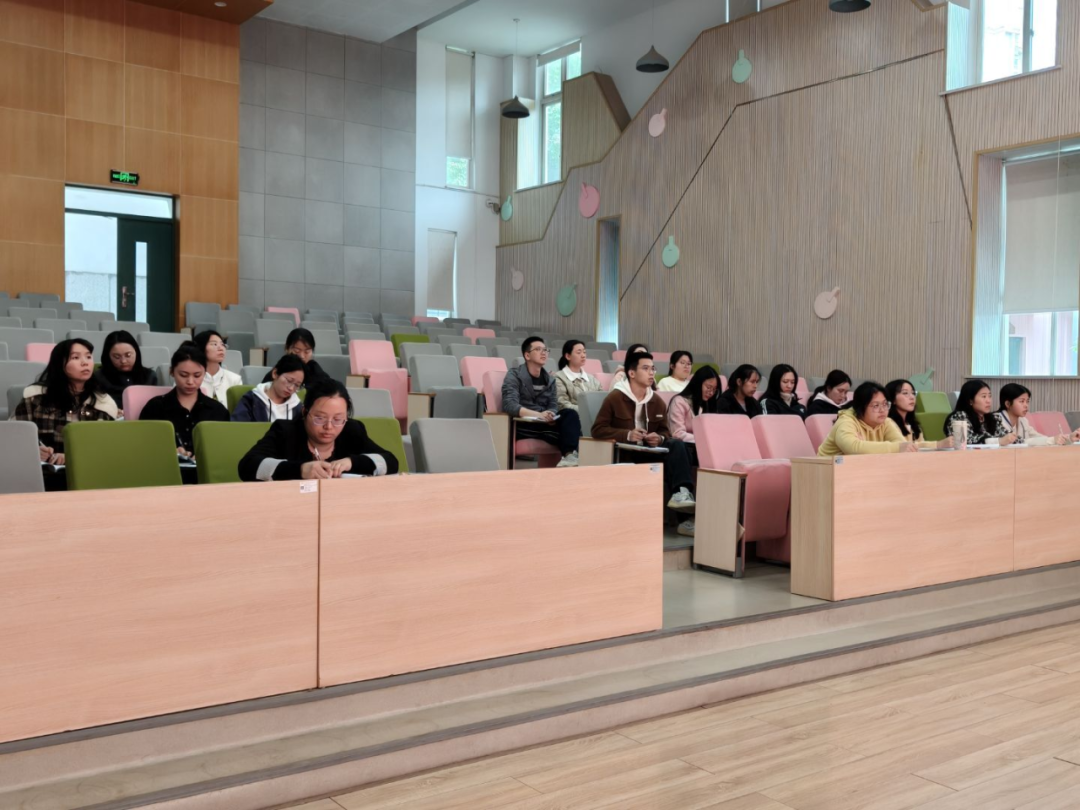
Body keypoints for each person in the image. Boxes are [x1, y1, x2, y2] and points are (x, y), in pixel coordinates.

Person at [592, 352, 697, 535]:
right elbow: (598, 429)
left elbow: (666, 431)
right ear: (632, 373)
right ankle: (684, 519)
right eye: (646, 368)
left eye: (653, 368)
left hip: (650, 452)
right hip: (626, 453)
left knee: (678, 446)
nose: (651, 373)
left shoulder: (656, 400)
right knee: (675, 455)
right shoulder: (615, 398)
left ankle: (682, 496)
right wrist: (627, 434)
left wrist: (660, 438)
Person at [238, 379, 398, 480]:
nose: (329, 427)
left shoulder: (352, 430)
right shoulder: (285, 431)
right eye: (320, 418)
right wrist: (300, 470)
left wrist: (352, 462)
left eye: (338, 419)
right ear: (304, 412)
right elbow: (247, 466)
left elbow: (391, 461)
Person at [14, 338, 118, 466]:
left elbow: (105, 448)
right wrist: (33, 449)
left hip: (87, 471)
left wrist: (71, 457)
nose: (85, 363)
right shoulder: (35, 396)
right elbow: (14, 435)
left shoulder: (103, 403)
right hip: (39, 470)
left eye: (88, 357)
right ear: (59, 363)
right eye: (75, 357)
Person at [140, 343, 230, 461]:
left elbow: (225, 448)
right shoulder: (155, 407)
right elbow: (143, 445)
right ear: (172, 372)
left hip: (206, 470)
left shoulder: (217, 410)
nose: (190, 382)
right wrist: (168, 451)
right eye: (183, 375)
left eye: (197, 375)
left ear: (205, 373)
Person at [501, 336, 582, 467]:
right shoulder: (514, 375)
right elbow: (510, 405)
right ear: (527, 355)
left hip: (544, 423)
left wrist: (551, 414)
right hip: (523, 423)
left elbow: (553, 405)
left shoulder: (550, 379)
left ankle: (570, 457)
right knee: (571, 432)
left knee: (570, 414)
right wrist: (539, 415)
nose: (543, 353)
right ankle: (571, 455)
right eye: (538, 349)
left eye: (545, 350)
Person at [817, 382, 920, 456]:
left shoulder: (886, 422)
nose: (882, 410)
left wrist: (866, 446)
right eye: (876, 405)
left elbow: (903, 444)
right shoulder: (846, 421)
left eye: (885, 404)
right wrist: (896, 447)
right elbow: (853, 448)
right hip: (826, 471)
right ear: (861, 407)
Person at [997, 383, 1080, 445]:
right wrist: (1052, 440)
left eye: (1027, 401)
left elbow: (1041, 438)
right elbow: (1019, 442)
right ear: (1008, 404)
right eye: (1022, 401)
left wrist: (1069, 438)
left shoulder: (1023, 421)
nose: (1026, 405)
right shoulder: (996, 420)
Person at [94, 330, 158, 410]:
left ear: (136, 352)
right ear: (108, 356)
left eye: (128, 355)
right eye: (117, 357)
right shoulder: (99, 377)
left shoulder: (150, 376)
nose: (123, 361)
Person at [232, 355, 305, 423]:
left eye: (297, 385)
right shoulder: (251, 401)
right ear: (275, 373)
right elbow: (238, 428)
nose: (291, 388)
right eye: (289, 381)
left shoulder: (297, 407)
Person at [943, 379, 1015, 447]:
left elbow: (1005, 436)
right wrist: (997, 441)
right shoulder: (959, 417)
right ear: (970, 400)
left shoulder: (993, 418)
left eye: (989, 396)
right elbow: (966, 440)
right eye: (984, 396)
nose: (988, 401)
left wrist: (1012, 438)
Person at [885, 379, 953, 449]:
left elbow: (920, 446)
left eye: (913, 393)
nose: (912, 397)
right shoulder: (887, 423)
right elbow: (904, 446)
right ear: (892, 399)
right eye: (905, 393)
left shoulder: (912, 423)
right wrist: (938, 444)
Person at [668, 365, 721, 444]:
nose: (711, 393)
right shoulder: (679, 402)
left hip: (705, 445)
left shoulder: (709, 403)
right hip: (686, 446)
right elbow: (677, 433)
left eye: (714, 389)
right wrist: (703, 439)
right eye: (708, 387)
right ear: (698, 383)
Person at [262, 328, 330, 388]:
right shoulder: (278, 372)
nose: (302, 356)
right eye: (297, 351)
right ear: (287, 349)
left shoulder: (316, 371)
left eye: (307, 352)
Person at [194, 330, 242, 406]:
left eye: (222, 344)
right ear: (201, 347)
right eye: (214, 344)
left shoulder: (234, 380)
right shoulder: (189, 378)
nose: (221, 348)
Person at [553, 339, 603, 412]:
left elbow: (602, 399)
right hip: (574, 416)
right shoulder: (559, 377)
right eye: (579, 352)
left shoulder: (592, 379)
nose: (583, 355)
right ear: (568, 356)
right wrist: (588, 410)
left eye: (584, 352)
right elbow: (562, 404)